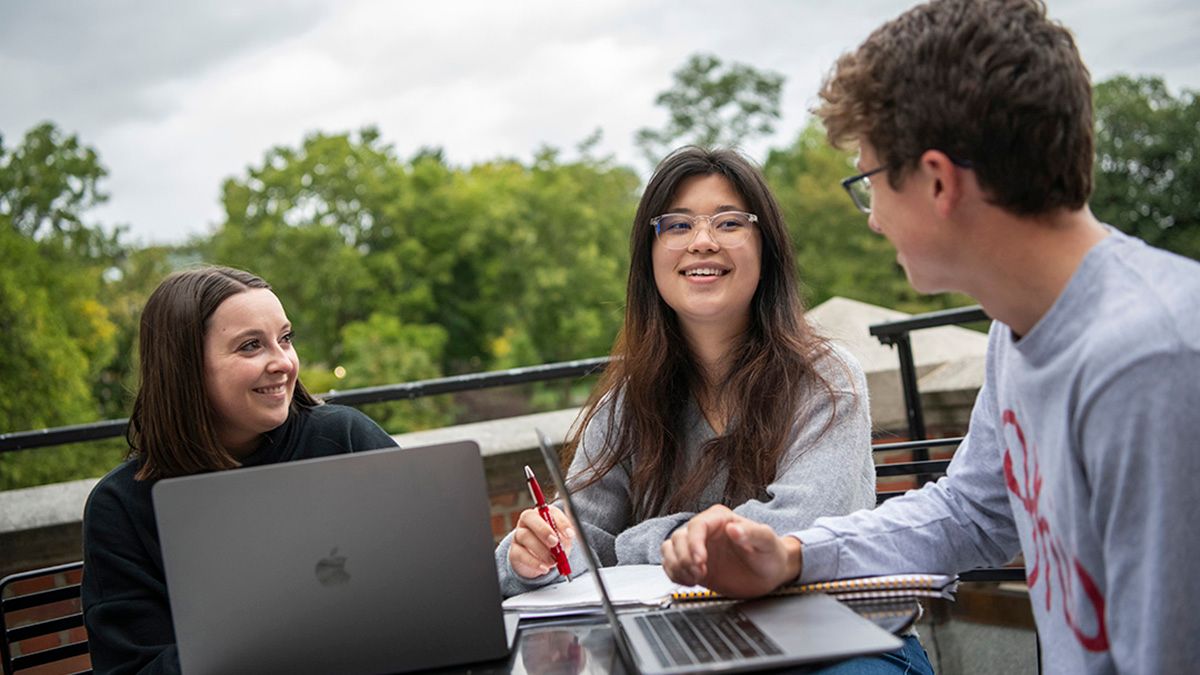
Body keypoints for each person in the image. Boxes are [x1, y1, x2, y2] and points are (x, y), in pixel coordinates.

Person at [660, 1, 1200, 673]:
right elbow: (970, 511)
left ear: (939, 181)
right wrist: (792, 553)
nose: (873, 220)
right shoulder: (1021, 325)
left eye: (870, 182)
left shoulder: (1154, 363)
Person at [496, 147, 933, 672]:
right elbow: (580, 536)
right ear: (649, 255)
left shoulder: (825, 377)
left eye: (728, 222)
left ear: (765, 247)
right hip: (693, 644)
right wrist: (534, 555)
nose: (702, 241)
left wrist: (637, 542)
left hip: (836, 641)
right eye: (677, 225)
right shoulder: (626, 400)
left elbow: (795, 530)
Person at [81, 266, 398, 674]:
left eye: (285, 338)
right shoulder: (122, 507)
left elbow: (433, 569)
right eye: (251, 346)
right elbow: (134, 669)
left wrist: (504, 564)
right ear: (186, 369)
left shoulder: (343, 436)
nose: (282, 362)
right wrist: (262, 621)